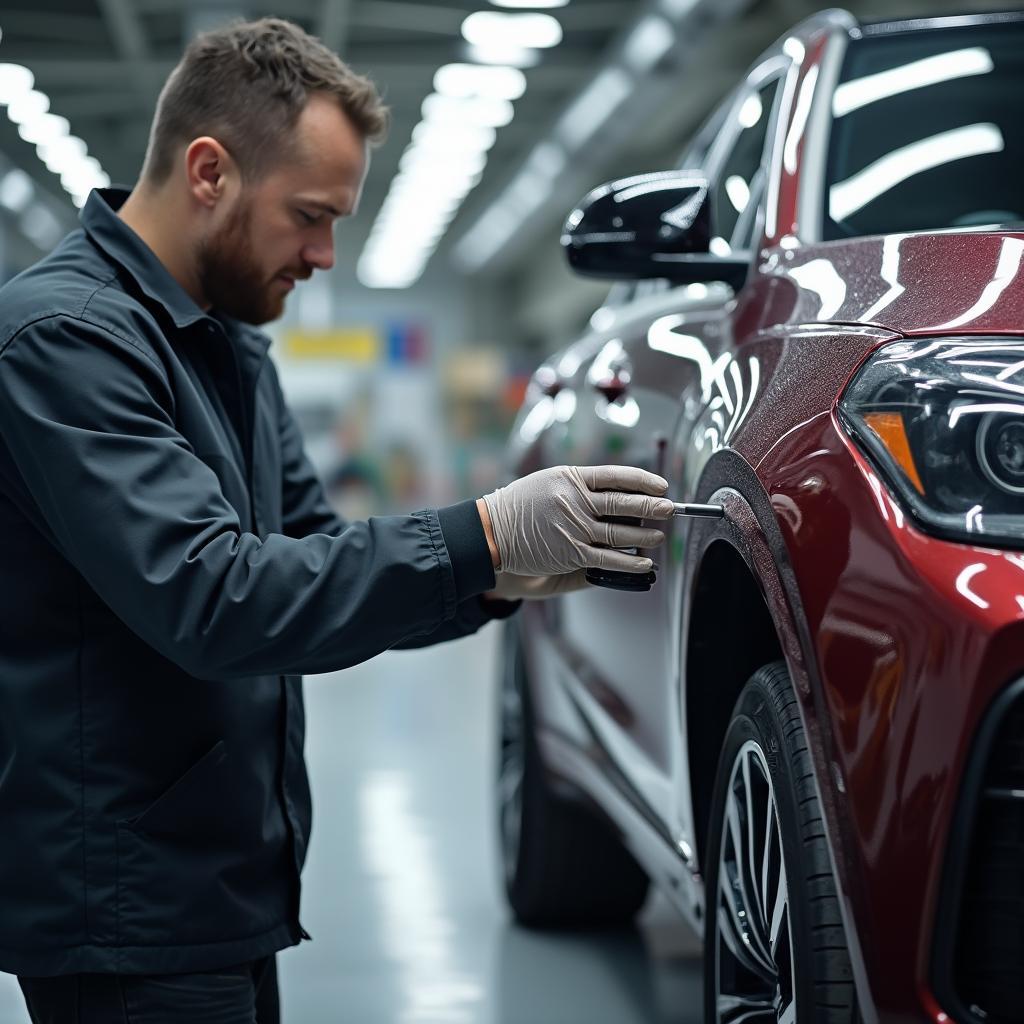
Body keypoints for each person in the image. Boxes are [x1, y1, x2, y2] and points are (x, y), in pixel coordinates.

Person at [0, 17, 675, 1023]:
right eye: (309, 215)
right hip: (126, 900)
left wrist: (494, 576)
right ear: (208, 171)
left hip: (223, 875)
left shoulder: (226, 343)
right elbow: (215, 596)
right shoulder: (63, 343)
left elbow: (308, 556)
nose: (323, 254)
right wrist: (482, 533)